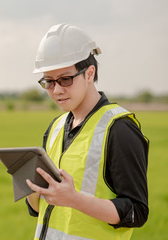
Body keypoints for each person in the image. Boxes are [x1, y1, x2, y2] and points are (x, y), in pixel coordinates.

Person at [25, 23, 149, 240]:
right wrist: (32, 192)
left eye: (65, 79)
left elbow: (136, 212)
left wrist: (74, 199)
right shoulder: (55, 127)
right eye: (49, 82)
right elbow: (40, 210)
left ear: (89, 73)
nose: (57, 90)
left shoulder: (120, 129)